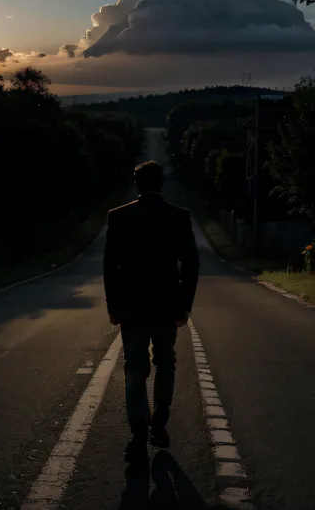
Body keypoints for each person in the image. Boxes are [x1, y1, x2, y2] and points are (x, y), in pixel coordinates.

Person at [103, 160, 200, 464]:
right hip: (166, 306)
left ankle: (137, 435)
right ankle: (159, 421)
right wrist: (184, 304)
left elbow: (110, 267)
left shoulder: (118, 217)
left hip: (132, 308)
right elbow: (192, 264)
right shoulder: (179, 217)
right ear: (162, 184)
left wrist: (114, 306)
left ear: (137, 184)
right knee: (166, 364)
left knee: (135, 369)